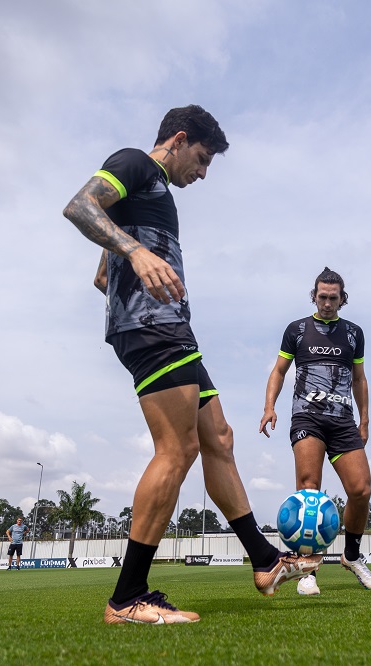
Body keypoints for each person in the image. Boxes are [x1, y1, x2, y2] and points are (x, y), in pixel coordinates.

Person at [63, 105, 322, 625]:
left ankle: (266, 562)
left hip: (170, 329)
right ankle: (127, 597)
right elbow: (80, 206)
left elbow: (101, 273)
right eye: (202, 160)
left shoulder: (151, 194)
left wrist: (122, 263)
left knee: (218, 438)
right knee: (177, 449)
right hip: (153, 330)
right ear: (179, 140)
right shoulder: (136, 162)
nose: (202, 174)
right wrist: (136, 255)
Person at [259, 267, 371, 595]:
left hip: (342, 421)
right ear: (314, 296)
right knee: (309, 490)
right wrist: (270, 407)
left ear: (343, 299)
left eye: (333, 298)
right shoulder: (296, 330)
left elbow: (359, 379)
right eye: (322, 297)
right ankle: (308, 572)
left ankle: (351, 556)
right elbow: (279, 371)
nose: (327, 303)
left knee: (361, 490)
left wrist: (364, 421)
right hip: (307, 419)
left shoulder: (354, 333)